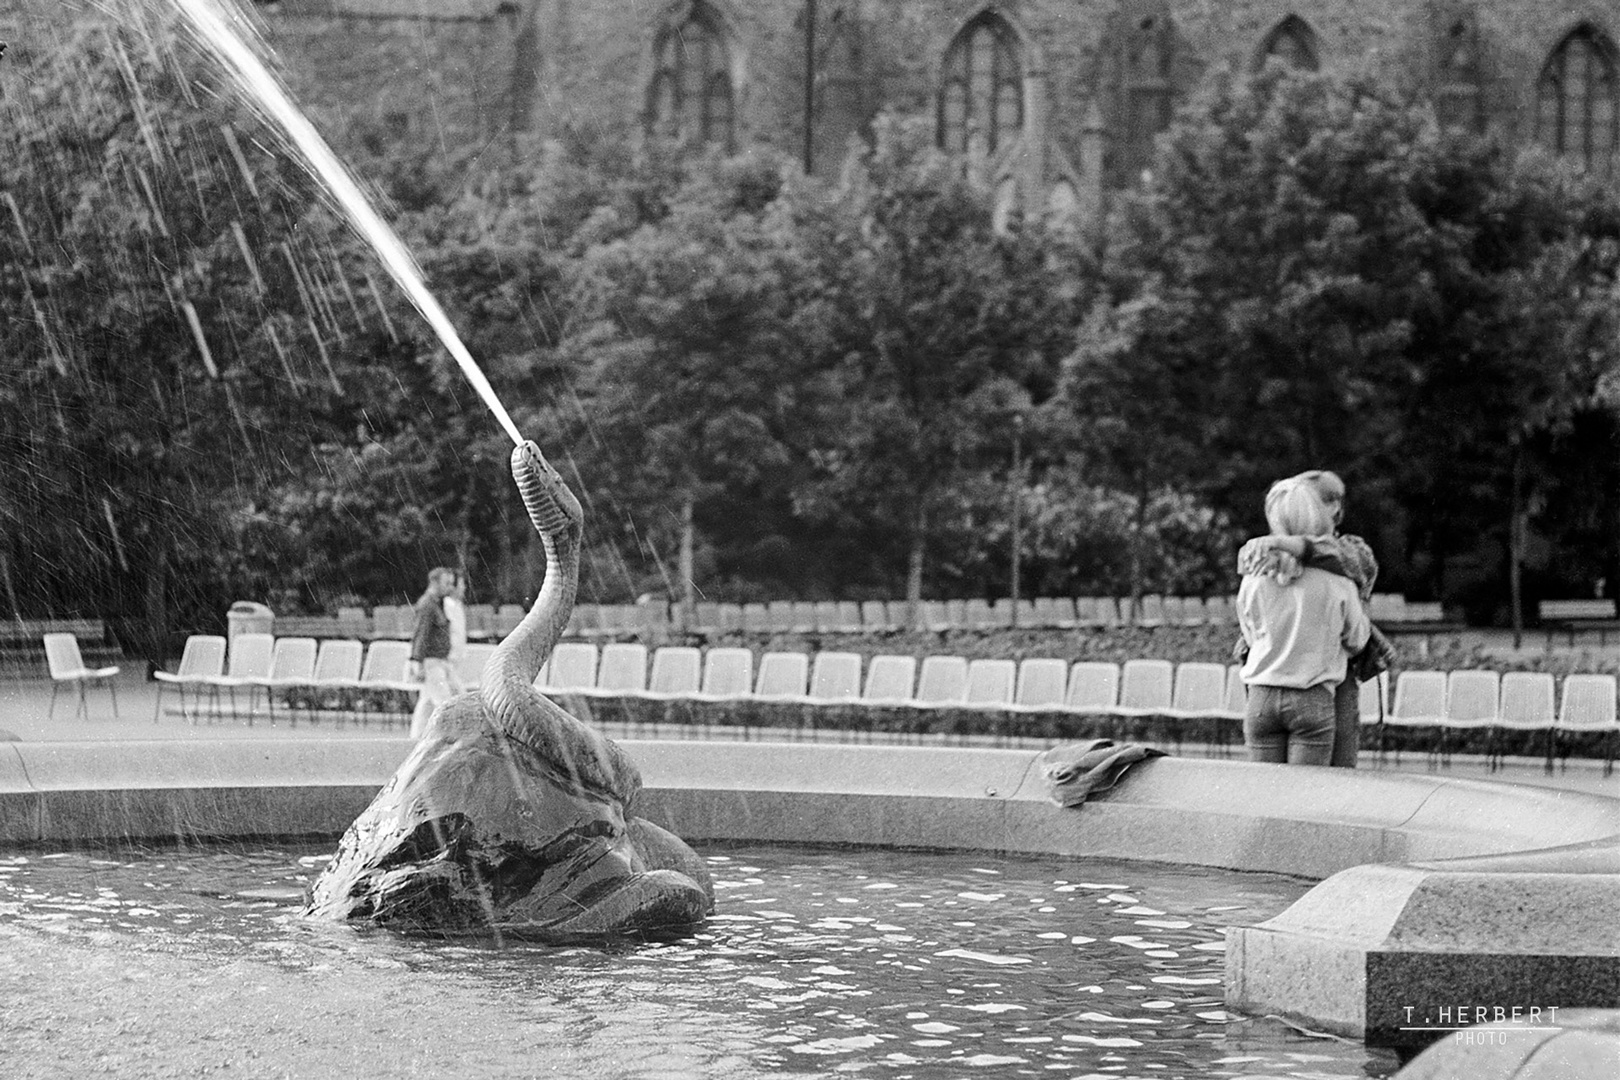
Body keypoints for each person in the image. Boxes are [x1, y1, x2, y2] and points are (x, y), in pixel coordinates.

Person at [1237, 470, 1396, 767]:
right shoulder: (1336, 580)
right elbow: (1357, 637)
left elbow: (1248, 629)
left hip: (1271, 687)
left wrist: (1281, 543)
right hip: (1317, 683)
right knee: (1315, 790)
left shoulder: (1348, 554)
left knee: (1270, 792)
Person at [409, 566, 461, 738]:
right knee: (445, 702)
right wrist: (417, 662)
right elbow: (420, 634)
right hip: (432, 661)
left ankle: (415, 737)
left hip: (442, 660)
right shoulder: (427, 605)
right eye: (446, 583)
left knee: (427, 703)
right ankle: (449, 738)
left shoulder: (439, 604)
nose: (450, 587)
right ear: (434, 582)